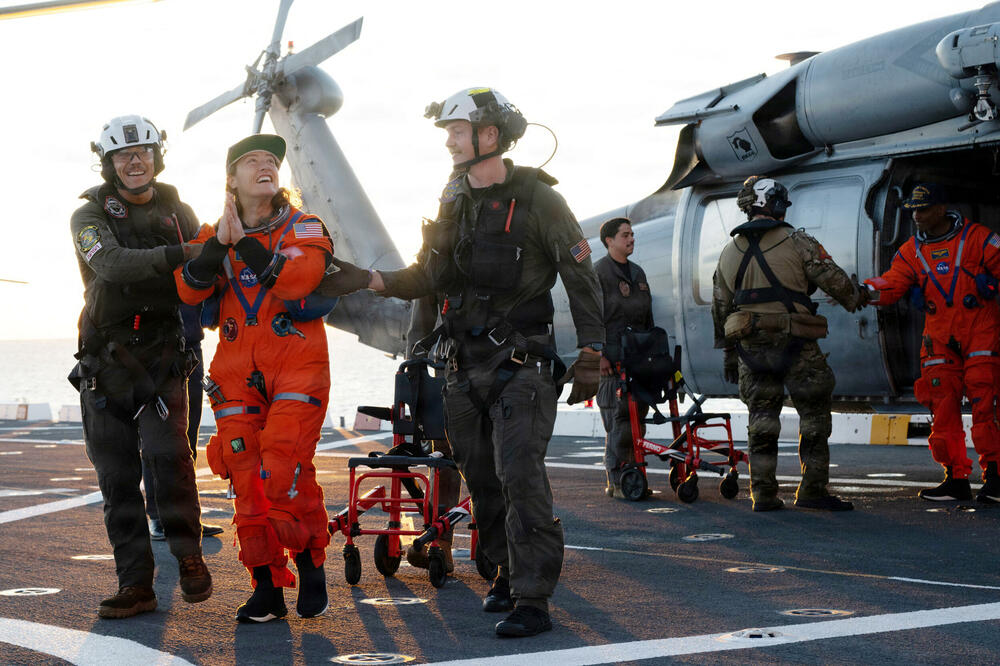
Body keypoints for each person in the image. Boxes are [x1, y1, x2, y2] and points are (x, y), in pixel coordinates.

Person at [366, 87, 604, 637]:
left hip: (520, 366)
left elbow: (581, 275)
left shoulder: (541, 200)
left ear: (489, 135)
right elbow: (429, 276)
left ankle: (533, 597)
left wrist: (592, 350)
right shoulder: (453, 198)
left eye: (456, 131)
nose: (449, 142)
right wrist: (369, 279)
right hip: (460, 370)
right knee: (482, 480)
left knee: (520, 478)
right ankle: (501, 570)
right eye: (448, 132)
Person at [176, 134, 334, 622]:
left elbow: (297, 280)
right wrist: (219, 243)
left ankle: (309, 561)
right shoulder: (211, 233)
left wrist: (240, 241)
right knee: (246, 480)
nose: (265, 165)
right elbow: (187, 287)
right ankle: (266, 586)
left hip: (298, 363)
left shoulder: (305, 226)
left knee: (282, 468)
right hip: (235, 371)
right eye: (252, 161)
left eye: (272, 161)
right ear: (232, 180)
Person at [69, 115, 212, 618]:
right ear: (108, 163)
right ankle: (137, 585)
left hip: (164, 355)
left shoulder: (181, 212)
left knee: (169, 458)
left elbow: (211, 269)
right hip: (105, 362)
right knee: (116, 478)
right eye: (124, 155)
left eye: (143, 152)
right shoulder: (88, 217)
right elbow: (109, 263)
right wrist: (180, 254)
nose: (135, 161)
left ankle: (189, 555)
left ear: (157, 157)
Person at [712, 176, 867, 512]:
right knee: (813, 416)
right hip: (797, 345)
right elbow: (836, 281)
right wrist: (859, 297)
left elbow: (721, 311)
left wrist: (728, 353)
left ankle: (763, 494)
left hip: (750, 350)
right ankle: (812, 489)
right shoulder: (798, 242)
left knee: (762, 419)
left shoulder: (727, 252)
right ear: (776, 204)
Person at [865, 183, 1000, 503]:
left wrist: (992, 283)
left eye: (923, 209)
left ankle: (995, 476)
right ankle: (955, 479)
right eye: (912, 210)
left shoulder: (979, 238)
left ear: (941, 209)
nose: (916, 216)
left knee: (986, 401)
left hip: (980, 329)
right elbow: (892, 282)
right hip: (939, 336)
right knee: (942, 406)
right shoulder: (911, 251)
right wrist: (865, 291)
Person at [145, 302, 224, 541]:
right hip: (155, 349)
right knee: (155, 438)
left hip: (190, 348)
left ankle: (188, 516)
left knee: (188, 438)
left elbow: (211, 313)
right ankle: (158, 517)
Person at [594, 217, 654, 498]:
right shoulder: (600, 273)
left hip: (638, 358)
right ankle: (617, 481)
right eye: (625, 235)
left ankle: (634, 478)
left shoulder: (638, 273)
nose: (631, 239)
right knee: (617, 420)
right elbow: (592, 317)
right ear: (609, 240)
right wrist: (600, 354)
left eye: (632, 234)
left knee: (636, 420)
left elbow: (648, 317)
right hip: (612, 361)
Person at [403, 293, 463, 574]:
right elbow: (420, 325)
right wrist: (411, 379)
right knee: (445, 459)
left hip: (505, 367)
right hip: (451, 370)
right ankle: (441, 542)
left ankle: (506, 548)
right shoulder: (438, 254)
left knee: (502, 458)